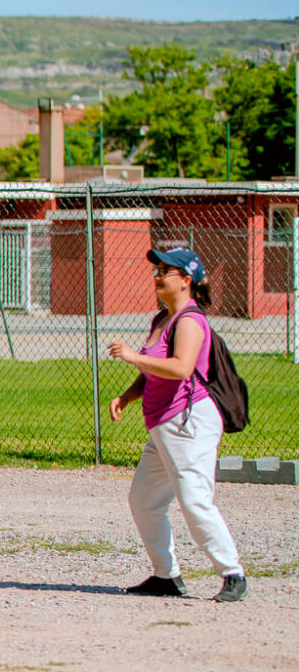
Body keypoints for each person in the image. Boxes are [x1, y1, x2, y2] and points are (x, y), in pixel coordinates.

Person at [106, 248, 247, 602]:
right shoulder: (162, 319)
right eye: (156, 269)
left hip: (189, 420)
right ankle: (166, 576)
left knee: (194, 499)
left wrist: (134, 356)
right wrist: (126, 396)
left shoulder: (190, 320)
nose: (157, 275)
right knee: (143, 500)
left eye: (166, 270)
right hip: (163, 424)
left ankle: (232, 573)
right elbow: (152, 372)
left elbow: (182, 367)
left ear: (186, 281)